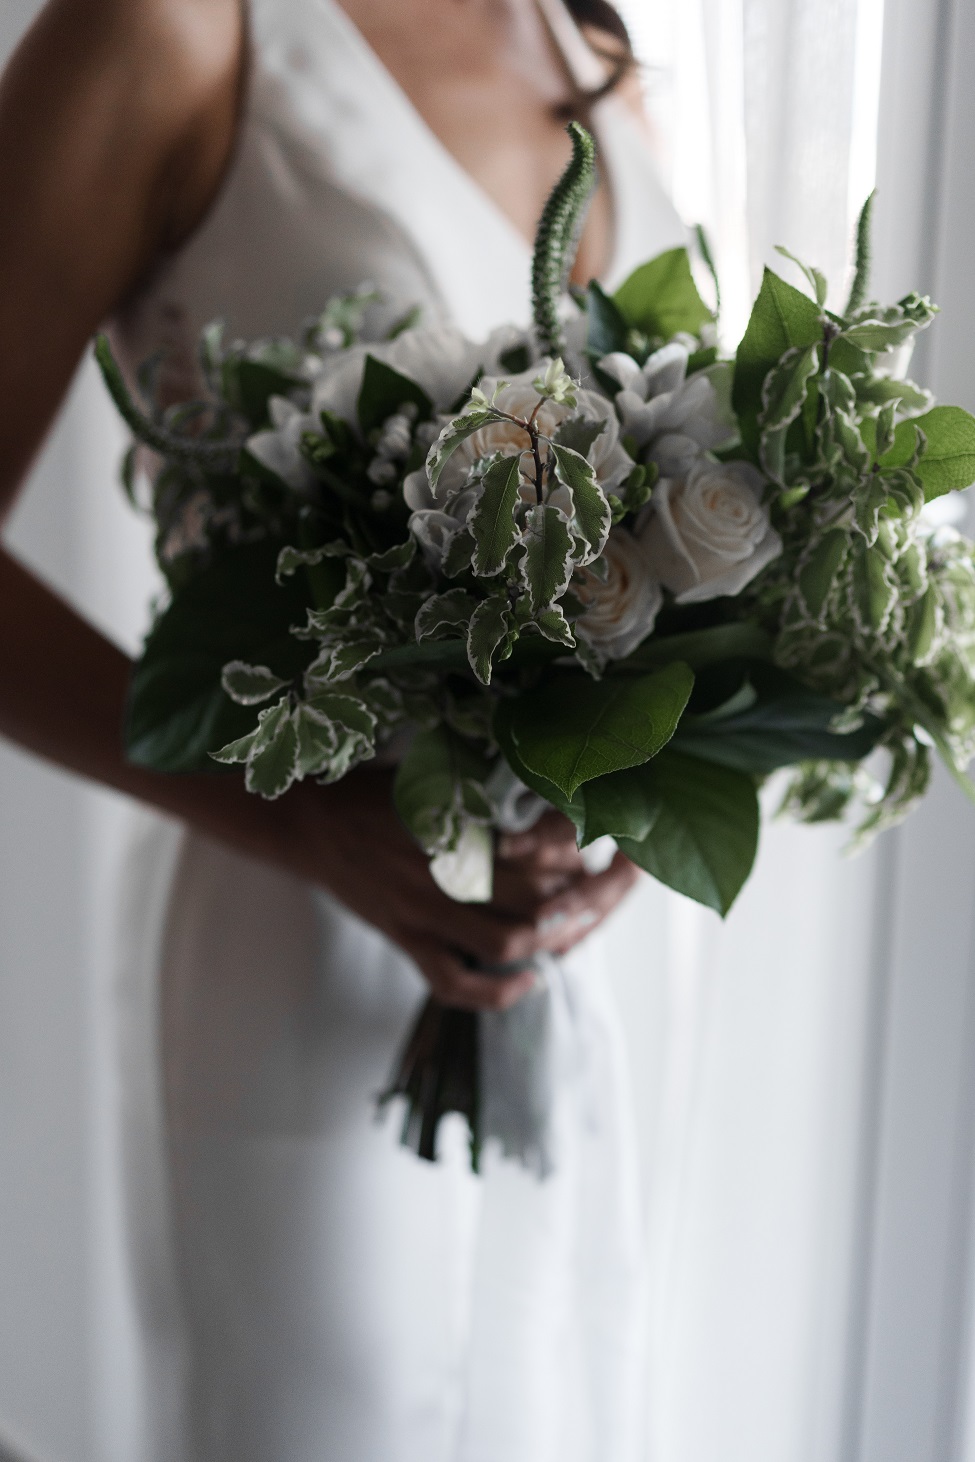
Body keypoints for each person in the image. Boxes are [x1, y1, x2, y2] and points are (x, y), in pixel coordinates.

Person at [0, 1, 687, 1456]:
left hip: (560, 961)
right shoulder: (165, 33)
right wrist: (304, 824)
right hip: (296, 938)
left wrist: (646, 791)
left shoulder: (582, 43)